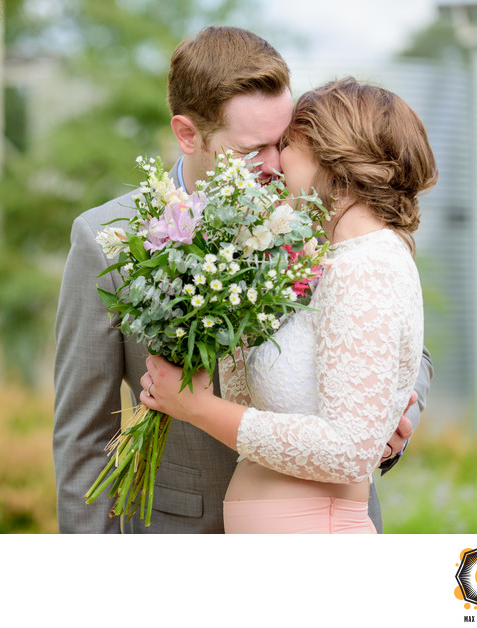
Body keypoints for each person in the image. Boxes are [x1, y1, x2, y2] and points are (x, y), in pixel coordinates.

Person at [53, 25, 433, 534]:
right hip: (186, 532)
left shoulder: (318, 211)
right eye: (254, 150)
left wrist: (393, 414)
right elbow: (84, 433)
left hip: (319, 520)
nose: (278, 166)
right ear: (188, 134)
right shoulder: (107, 240)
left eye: (285, 141)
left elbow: (400, 341)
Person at [139, 76, 438, 533]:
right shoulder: (335, 256)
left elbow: (348, 450)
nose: (275, 162)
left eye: (287, 143)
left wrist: (198, 408)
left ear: (331, 157)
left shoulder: (365, 266)